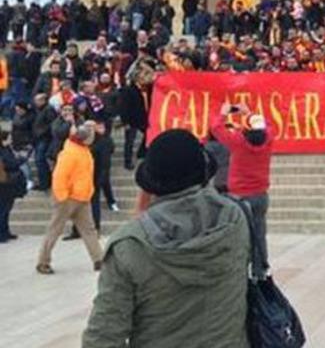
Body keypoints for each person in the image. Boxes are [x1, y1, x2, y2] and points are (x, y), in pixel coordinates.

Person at [82, 129, 251, 347]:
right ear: (204, 172)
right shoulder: (234, 220)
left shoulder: (130, 245)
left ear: (149, 184)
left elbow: (103, 337)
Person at [36, 123, 103, 274]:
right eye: (91, 137)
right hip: (67, 199)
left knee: (89, 230)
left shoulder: (83, 150)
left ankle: (98, 259)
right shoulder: (70, 153)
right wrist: (62, 198)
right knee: (54, 230)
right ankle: (43, 261)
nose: (94, 139)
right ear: (84, 139)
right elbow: (59, 177)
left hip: (82, 197)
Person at [211, 102, 274, 264]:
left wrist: (224, 113)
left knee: (240, 235)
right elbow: (269, 125)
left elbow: (216, 128)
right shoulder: (268, 140)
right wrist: (250, 113)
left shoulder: (238, 142)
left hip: (240, 197)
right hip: (261, 195)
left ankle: (244, 268)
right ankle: (261, 267)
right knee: (260, 234)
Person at [119, 69, 152, 170]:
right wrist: (125, 122)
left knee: (148, 135)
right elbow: (124, 107)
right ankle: (127, 162)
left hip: (144, 118)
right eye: (145, 76)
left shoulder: (148, 89)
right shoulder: (128, 90)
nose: (148, 79)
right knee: (129, 141)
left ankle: (141, 153)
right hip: (132, 119)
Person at [0, 130, 26, 243]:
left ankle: (6, 232)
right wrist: (21, 159)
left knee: (7, 209)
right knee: (3, 210)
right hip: (4, 185)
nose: (11, 140)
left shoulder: (7, 149)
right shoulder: (3, 151)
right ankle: (2, 234)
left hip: (9, 185)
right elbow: (10, 163)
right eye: (9, 138)